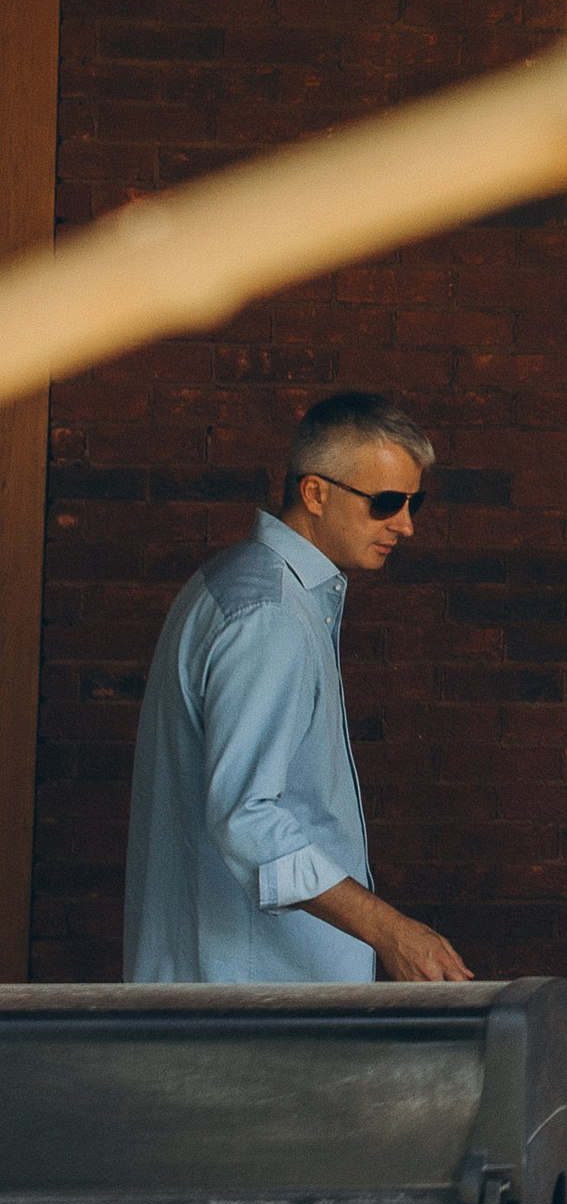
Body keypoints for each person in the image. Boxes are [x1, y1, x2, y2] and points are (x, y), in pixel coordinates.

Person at [124, 391, 468, 985]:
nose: (406, 525)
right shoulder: (269, 615)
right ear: (315, 493)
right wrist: (389, 929)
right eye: (385, 502)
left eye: (415, 502)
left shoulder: (244, 586)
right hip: (255, 999)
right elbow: (246, 817)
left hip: (241, 990)